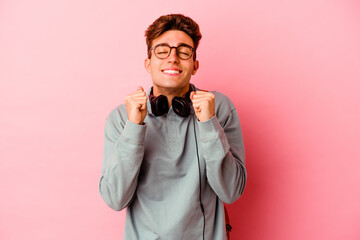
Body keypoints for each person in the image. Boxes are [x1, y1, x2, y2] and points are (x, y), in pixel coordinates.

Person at [99, 14, 247, 240]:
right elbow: (115, 198)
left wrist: (208, 123)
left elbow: (231, 191)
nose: (173, 58)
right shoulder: (121, 118)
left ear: (195, 65)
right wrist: (134, 127)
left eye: (184, 51)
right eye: (162, 50)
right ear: (148, 63)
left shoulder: (219, 108)